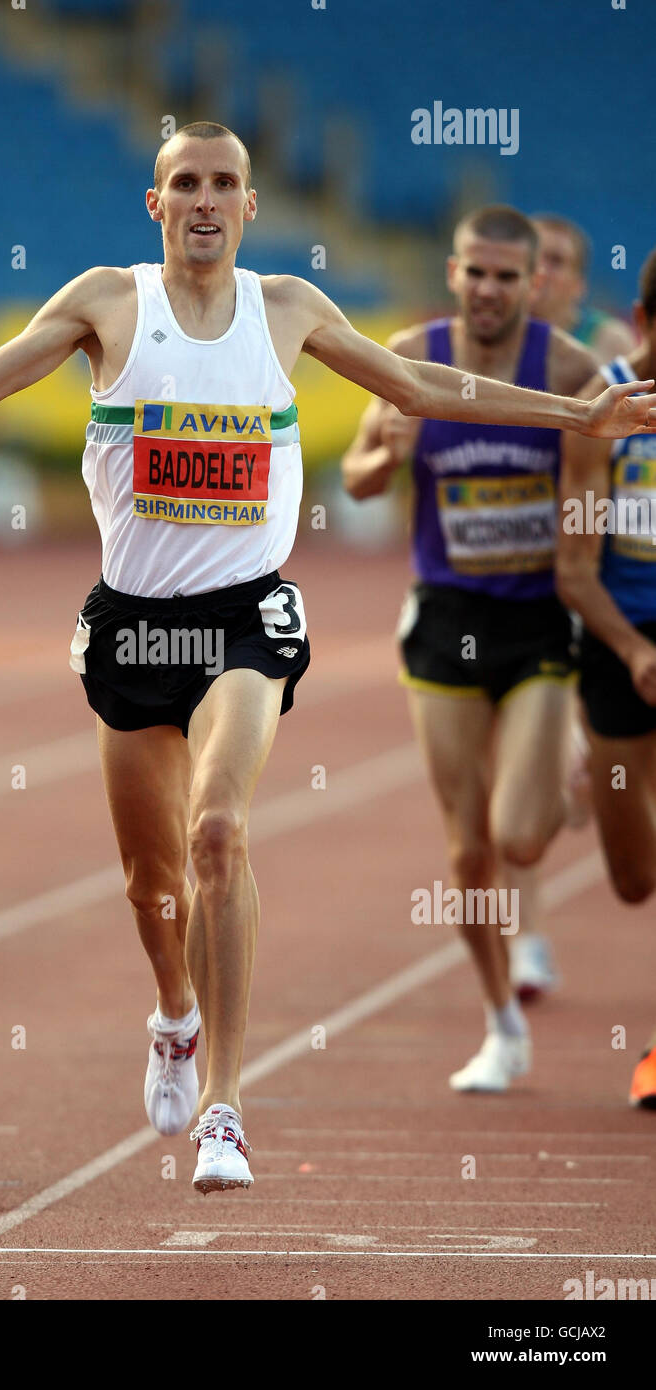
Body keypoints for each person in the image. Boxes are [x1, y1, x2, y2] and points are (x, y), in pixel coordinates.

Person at [0, 128, 655, 1185]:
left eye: (225, 184)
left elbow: (424, 388)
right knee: (153, 887)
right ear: (156, 204)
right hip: (133, 629)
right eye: (186, 183)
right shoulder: (109, 300)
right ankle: (173, 1013)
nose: (205, 199)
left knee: (217, 831)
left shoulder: (288, 308)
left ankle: (226, 1108)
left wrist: (577, 411)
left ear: (249, 205)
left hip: (245, 619)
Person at [342, 206, 601, 1091]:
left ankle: (560, 763)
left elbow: (586, 504)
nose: (488, 290)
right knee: (465, 855)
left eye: (506, 277)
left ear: (535, 284)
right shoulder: (409, 356)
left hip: (534, 622)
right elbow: (354, 476)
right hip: (445, 618)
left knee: (518, 837)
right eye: (473, 273)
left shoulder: (567, 371)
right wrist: (387, 450)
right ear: (451, 273)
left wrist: (575, 531)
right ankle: (499, 1025)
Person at [556, 245, 656, 1108]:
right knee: (632, 879)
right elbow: (574, 569)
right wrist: (631, 650)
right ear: (643, 324)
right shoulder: (610, 409)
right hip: (618, 643)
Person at [532, 215, 636, 364]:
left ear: (579, 285)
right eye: (533, 257)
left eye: (555, 261)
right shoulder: (495, 332)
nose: (540, 270)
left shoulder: (608, 340)